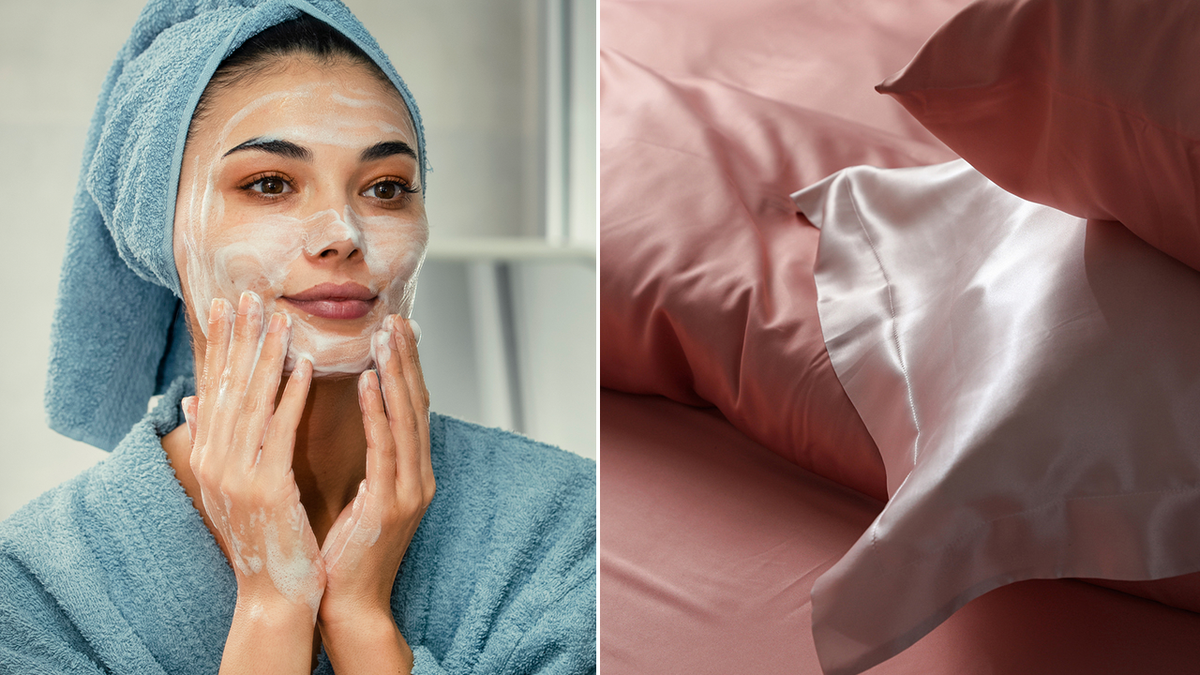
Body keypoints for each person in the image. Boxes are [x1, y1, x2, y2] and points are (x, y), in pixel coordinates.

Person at [0, 2, 595, 674]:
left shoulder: (577, 530)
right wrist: (271, 607)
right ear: (157, 227)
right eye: (270, 183)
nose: (343, 231)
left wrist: (364, 623)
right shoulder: (32, 591)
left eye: (387, 188)